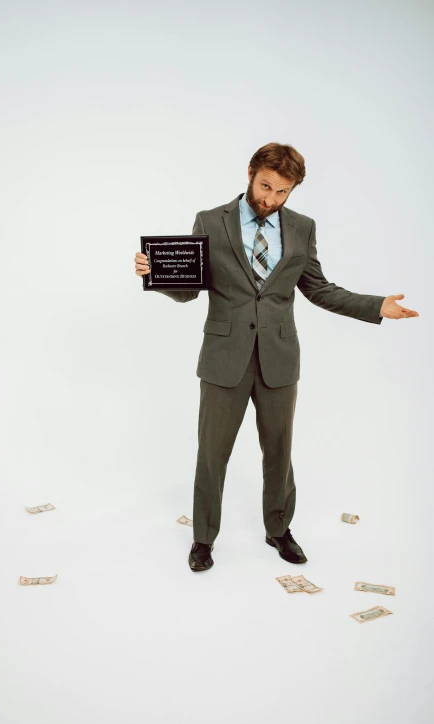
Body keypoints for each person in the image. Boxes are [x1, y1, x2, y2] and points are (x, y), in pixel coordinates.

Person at [134, 142, 419, 573]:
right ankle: (203, 538)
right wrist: (155, 274)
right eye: (265, 186)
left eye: (282, 192)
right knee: (212, 453)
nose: (270, 199)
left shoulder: (302, 228)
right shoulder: (211, 221)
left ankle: (278, 529)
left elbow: (318, 288)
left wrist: (375, 305)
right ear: (250, 172)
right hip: (223, 356)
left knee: (279, 451)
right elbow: (188, 288)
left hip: (279, 357)